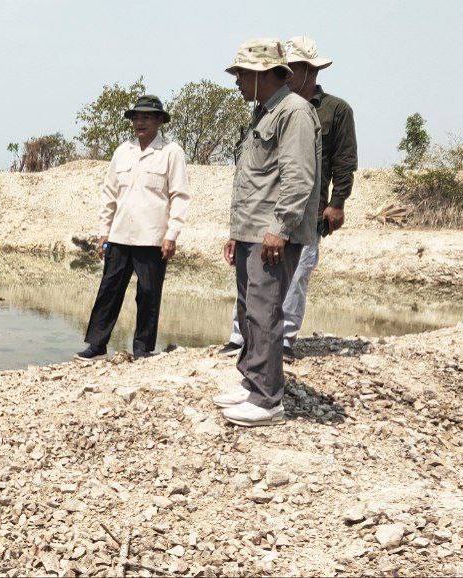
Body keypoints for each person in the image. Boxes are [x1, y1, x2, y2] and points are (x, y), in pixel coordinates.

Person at [218, 36, 356, 359]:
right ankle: (246, 344)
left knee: (293, 280)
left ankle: (281, 344)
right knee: (257, 290)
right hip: (264, 215)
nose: (287, 73)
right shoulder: (268, 109)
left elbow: (338, 162)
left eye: (292, 67)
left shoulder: (329, 110)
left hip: (305, 211)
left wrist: (337, 203)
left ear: (309, 70)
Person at [212, 39, 320, 426]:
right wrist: (236, 232)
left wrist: (280, 228)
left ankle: (267, 400)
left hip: (271, 234)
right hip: (251, 230)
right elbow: (253, 180)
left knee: (265, 312)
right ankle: (252, 382)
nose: (237, 81)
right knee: (249, 311)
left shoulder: (294, 112)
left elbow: (298, 177)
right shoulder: (265, 113)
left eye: (242, 74)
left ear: (263, 74)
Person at [75, 95, 191, 360]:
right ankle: (96, 344)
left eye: (147, 117)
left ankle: (142, 348)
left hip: (152, 237)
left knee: (148, 293)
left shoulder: (171, 152)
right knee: (109, 290)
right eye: (136, 117)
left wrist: (171, 235)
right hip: (119, 235)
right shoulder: (122, 151)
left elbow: (179, 196)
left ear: (159, 120)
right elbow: (109, 194)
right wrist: (104, 232)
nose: (140, 122)